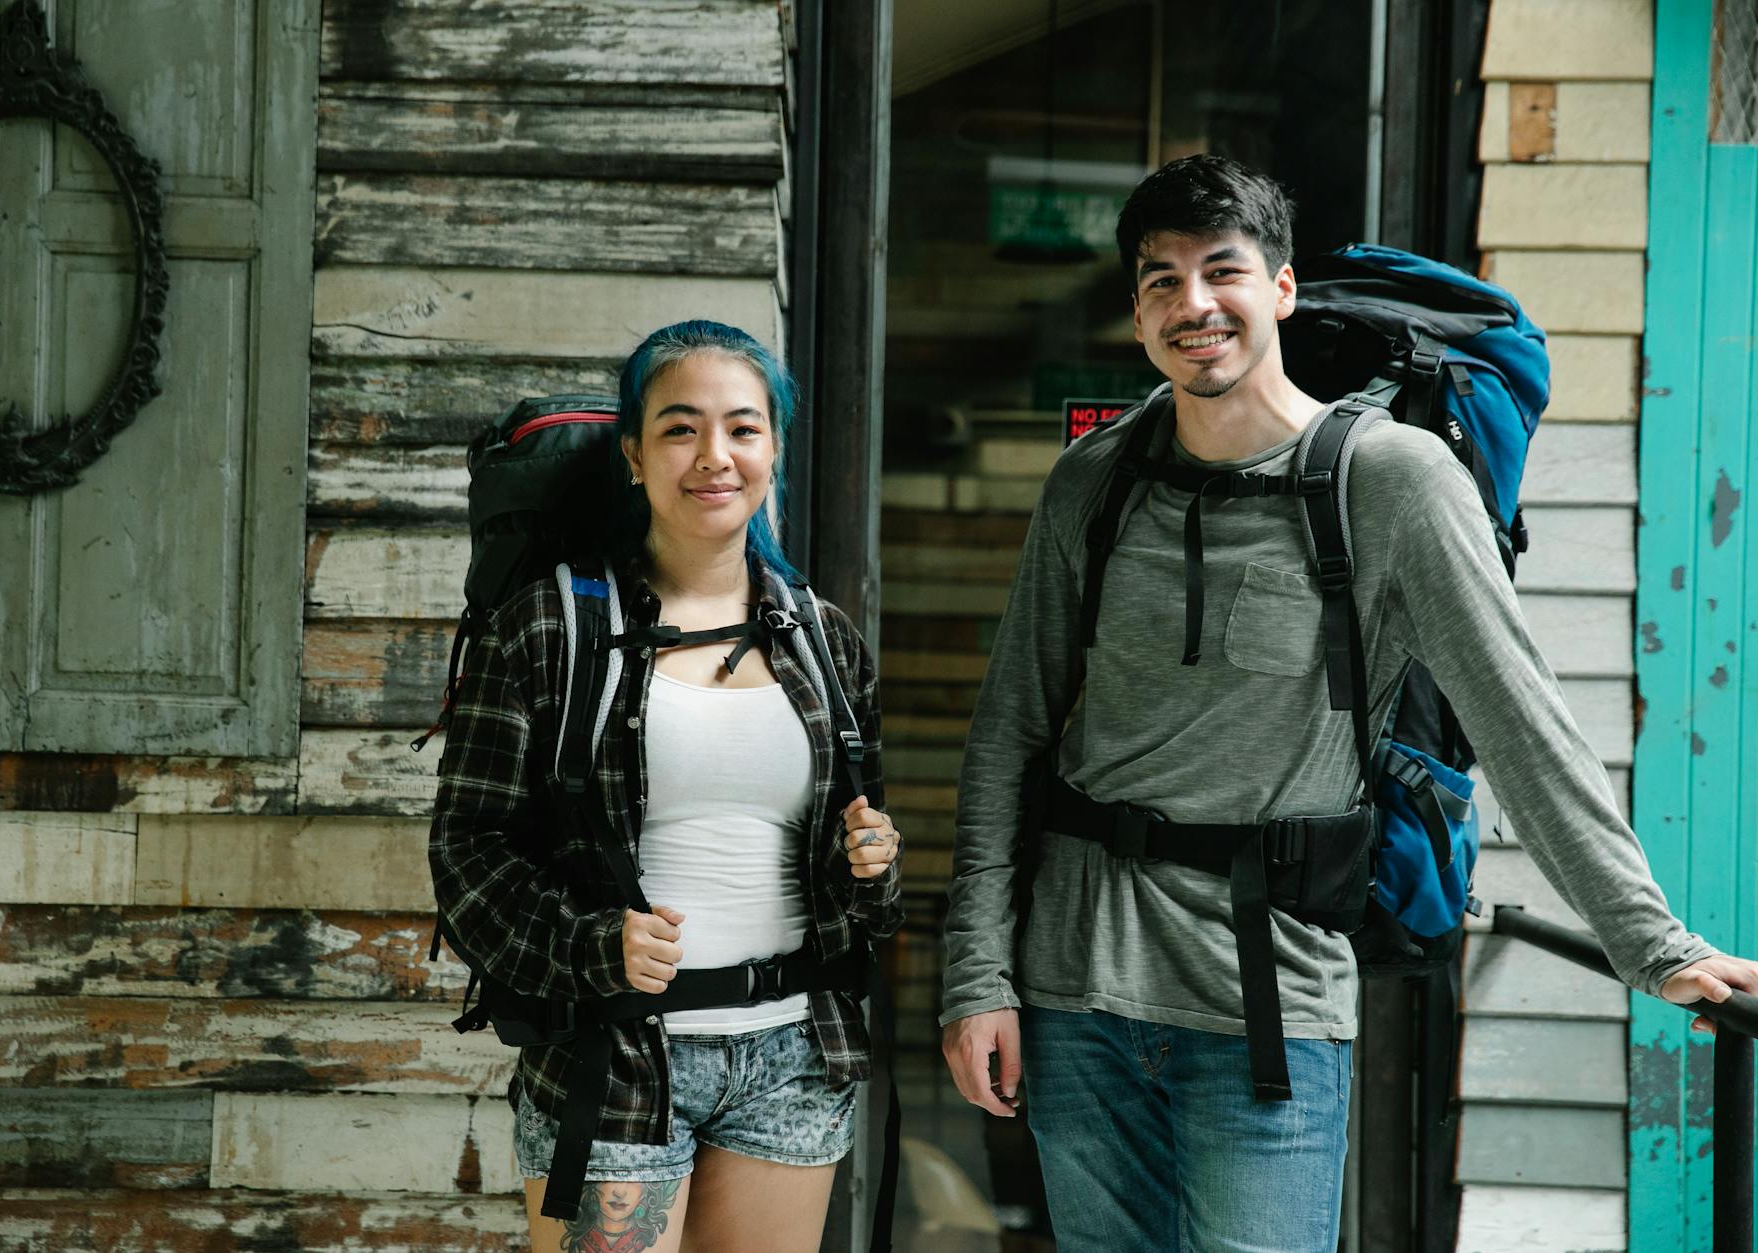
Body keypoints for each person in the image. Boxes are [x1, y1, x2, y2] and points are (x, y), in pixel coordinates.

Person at [936, 154, 1758, 1251]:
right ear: (1134, 314)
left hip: (1264, 1005)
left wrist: (1648, 941)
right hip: (1072, 994)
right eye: (1159, 280)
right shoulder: (1092, 480)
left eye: (1219, 271)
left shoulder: (1392, 478)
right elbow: (1010, 735)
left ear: (1278, 289)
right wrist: (976, 976)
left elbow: (1519, 720)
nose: (1193, 305)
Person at [430, 320, 903, 1253]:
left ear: (773, 449)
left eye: (743, 428)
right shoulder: (549, 630)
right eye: (681, 428)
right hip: (618, 1054)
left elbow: (864, 889)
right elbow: (466, 848)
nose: (714, 456)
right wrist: (587, 943)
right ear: (635, 457)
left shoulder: (823, 640)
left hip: (794, 1057)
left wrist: (870, 866)